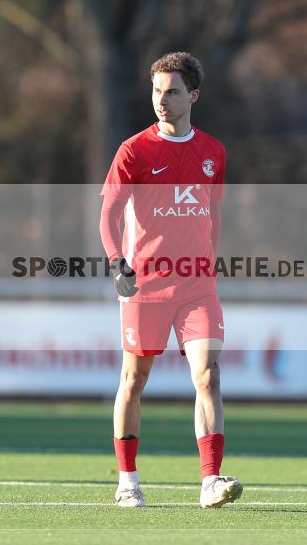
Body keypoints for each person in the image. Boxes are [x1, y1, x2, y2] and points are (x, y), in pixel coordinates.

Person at [99, 51, 242, 509]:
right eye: (157, 90)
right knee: (134, 379)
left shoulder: (213, 152)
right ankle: (127, 481)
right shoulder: (134, 151)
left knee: (208, 375)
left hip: (198, 285)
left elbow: (213, 214)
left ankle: (210, 481)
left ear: (193, 95)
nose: (162, 99)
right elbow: (109, 213)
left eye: (173, 91)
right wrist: (118, 262)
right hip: (146, 285)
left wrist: (210, 265)